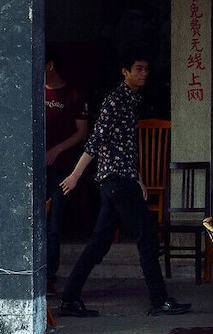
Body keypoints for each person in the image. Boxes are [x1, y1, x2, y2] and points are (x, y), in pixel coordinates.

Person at [58, 55, 191, 318]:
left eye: (147, 68)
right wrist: (75, 175)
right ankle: (159, 300)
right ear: (124, 72)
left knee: (99, 243)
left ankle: (69, 299)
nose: (144, 73)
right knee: (146, 239)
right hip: (117, 181)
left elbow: (126, 147)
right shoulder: (115, 101)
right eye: (138, 69)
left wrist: (139, 178)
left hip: (121, 180)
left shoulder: (132, 100)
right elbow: (95, 140)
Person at [44, 49, 90, 294]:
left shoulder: (73, 93)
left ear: (50, 65)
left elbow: (82, 132)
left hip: (61, 167)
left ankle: (50, 277)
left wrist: (57, 150)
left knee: (53, 223)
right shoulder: (33, 90)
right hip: (34, 168)